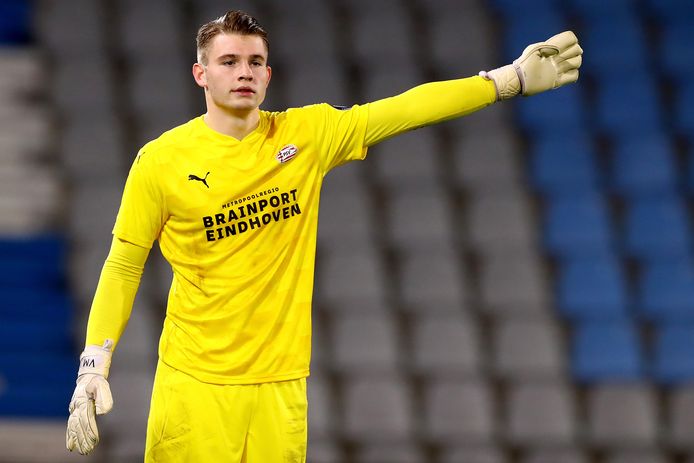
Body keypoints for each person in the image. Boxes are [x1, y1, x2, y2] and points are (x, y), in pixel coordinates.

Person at [65, 9, 582, 462]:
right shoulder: (161, 162)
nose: (243, 72)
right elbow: (124, 263)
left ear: (268, 74)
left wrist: (507, 79)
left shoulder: (305, 135)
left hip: (282, 385)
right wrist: (95, 363)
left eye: (254, 62)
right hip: (196, 387)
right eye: (229, 62)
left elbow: (402, 109)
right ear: (201, 74)